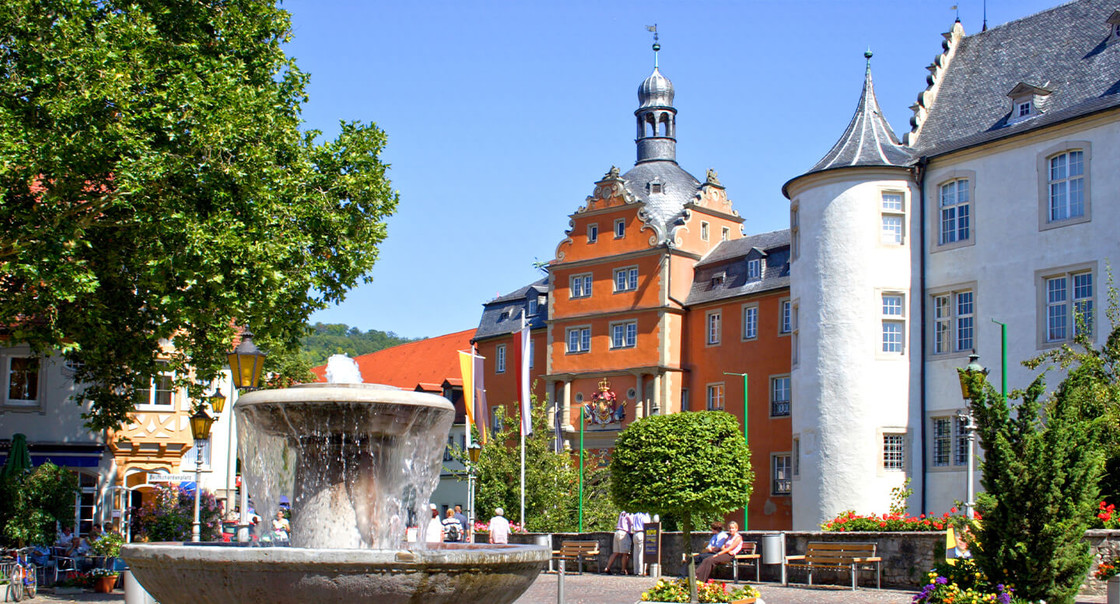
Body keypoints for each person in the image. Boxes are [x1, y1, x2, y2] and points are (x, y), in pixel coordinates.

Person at [629, 511, 651, 576]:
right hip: (641, 533)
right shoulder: (645, 514)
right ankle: (641, 571)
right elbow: (647, 524)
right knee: (641, 553)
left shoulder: (635, 514)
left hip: (635, 533)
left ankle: (635, 570)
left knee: (635, 553)